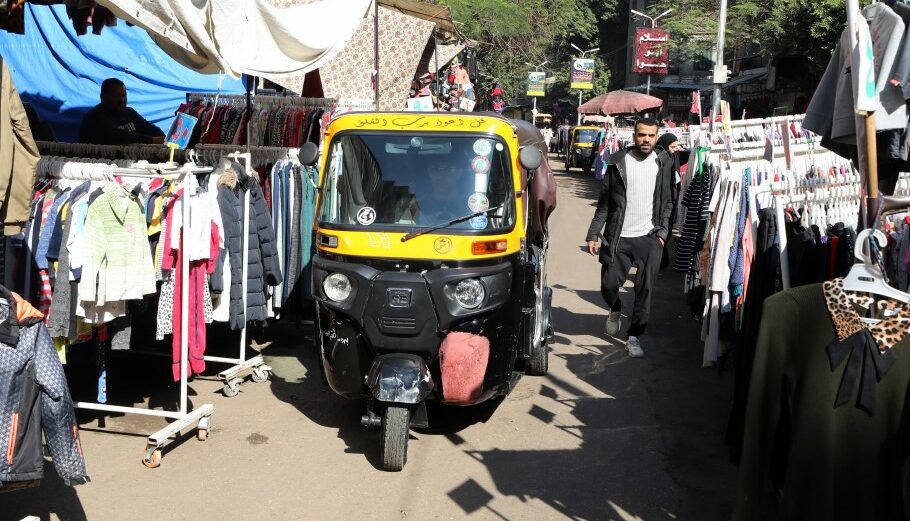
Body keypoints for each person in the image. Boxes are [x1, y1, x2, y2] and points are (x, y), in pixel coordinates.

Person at [585, 118, 673, 357]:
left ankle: (634, 336)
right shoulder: (618, 162)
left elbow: (668, 201)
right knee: (609, 284)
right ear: (634, 136)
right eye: (642, 135)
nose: (646, 140)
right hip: (619, 236)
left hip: (649, 237)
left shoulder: (664, 161)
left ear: (657, 137)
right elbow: (605, 203)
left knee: (645, 290)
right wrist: (594, 233)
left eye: (651, 136)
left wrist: (662, 234)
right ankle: (615, 307)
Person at [79, 78, 165, 145]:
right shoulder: (94, 117)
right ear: (103, 97)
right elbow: (118, 136)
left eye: (124, 96)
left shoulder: (129, 112)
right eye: (116, 96)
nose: (122, 100)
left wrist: (163, 138)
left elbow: (149, 128)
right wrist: (152, 140)